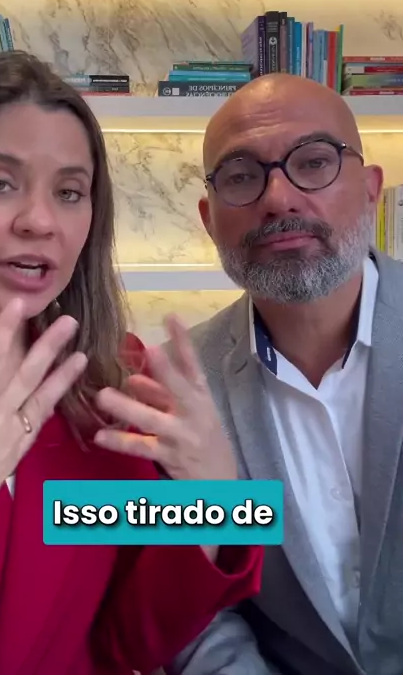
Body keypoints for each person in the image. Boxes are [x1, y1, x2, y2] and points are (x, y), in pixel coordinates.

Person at [0, 51, 263, 675]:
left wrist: (221, 498)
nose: (39, 221)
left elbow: (131, 639)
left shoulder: (113, 384)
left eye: (69, 192)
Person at [166, 73, 403, 675]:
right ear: (208, 218)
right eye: (241, 175)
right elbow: (193, 607)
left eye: (314, 162)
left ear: (371, 190)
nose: (278, 198)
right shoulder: (173, 388)